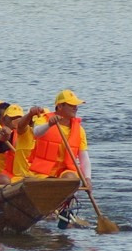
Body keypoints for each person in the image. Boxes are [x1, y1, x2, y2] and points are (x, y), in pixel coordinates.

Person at [30, 90, 89, 228]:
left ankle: (65, 210)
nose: (75, 108)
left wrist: (88, 179)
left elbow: (84, 157)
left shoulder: (79, 130)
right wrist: (49, 125)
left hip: (64, 171)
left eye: (76, 105)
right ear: (60, 106)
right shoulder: (43, 120)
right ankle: (52, 211)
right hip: (42, 172)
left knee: (71, 178)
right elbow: (36, 132)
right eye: (71, 105)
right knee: (53, 184)